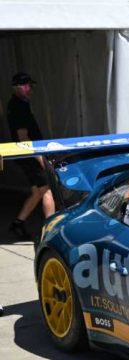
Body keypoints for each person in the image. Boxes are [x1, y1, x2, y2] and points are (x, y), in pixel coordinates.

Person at [7, 72, 54, 240]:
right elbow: (23, 138)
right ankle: (51, 232)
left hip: (27, 156)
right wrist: (40, 158)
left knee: (37, 192)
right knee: (48, 189)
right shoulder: (18, 106)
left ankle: (18, 223)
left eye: (31, 86)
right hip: (29, 156)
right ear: (17, 87)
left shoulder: (20, 104)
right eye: (27, 86)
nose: (30, 89)